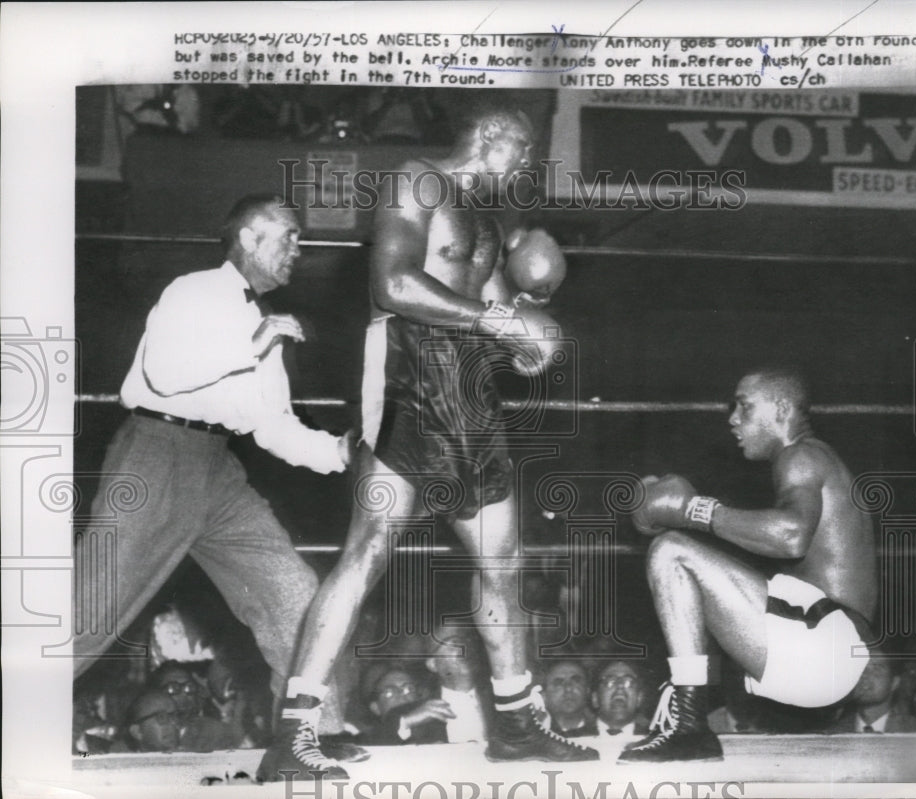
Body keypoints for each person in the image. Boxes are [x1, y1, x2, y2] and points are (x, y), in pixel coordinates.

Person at [258, 96, 592, 781]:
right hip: (409, 373)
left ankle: (518, 720)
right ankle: (294, 730)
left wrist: (531, 328)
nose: (526, 168)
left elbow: (494, 311)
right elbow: (393, 282)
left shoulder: (491, 223)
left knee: (505, 559)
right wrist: (499, 324)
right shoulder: (415, 180)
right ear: (494, 139)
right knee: (370, 548)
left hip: (471, 391)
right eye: (524, 154)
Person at [74, 195, 355, 714]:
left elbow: (273, 428)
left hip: (219, 471)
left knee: (294, 593)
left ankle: (313, 732)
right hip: (155, 454)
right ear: (249, 237)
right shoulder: (193, 290)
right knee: (90, 609)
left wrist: (340, 450)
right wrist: (253, 342)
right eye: (288, 234)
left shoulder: (264, 319)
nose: (300, 247)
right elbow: (163, 373)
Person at [619, 367, 877, 763]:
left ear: (780, 408)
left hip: (825, 645)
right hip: (831, 652)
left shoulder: (801, 456)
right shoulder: (819, 460)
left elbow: (791, 536)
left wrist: (693, 510)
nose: (733, 419)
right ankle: (688, 720)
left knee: (671, 550)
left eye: (744, 406)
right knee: (695, 565)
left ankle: (689, 724)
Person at [828, 650, 916, 733]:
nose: (864, 675)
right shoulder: (832, 736)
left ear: (894, 683)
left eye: (876, 668)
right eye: (859, 667)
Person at [592, 660, 649, 738]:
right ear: (595, 699)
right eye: (610, 682)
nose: (620, 686)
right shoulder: (572, 740)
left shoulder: (654, 739)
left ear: (639, 698)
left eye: (628, 682)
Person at [541, 660, 597, 738]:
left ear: (587, 690)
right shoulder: (535, 733)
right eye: (558, 683)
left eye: (576, 681)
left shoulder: (604, 732)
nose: (568, 688)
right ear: (544, 696)